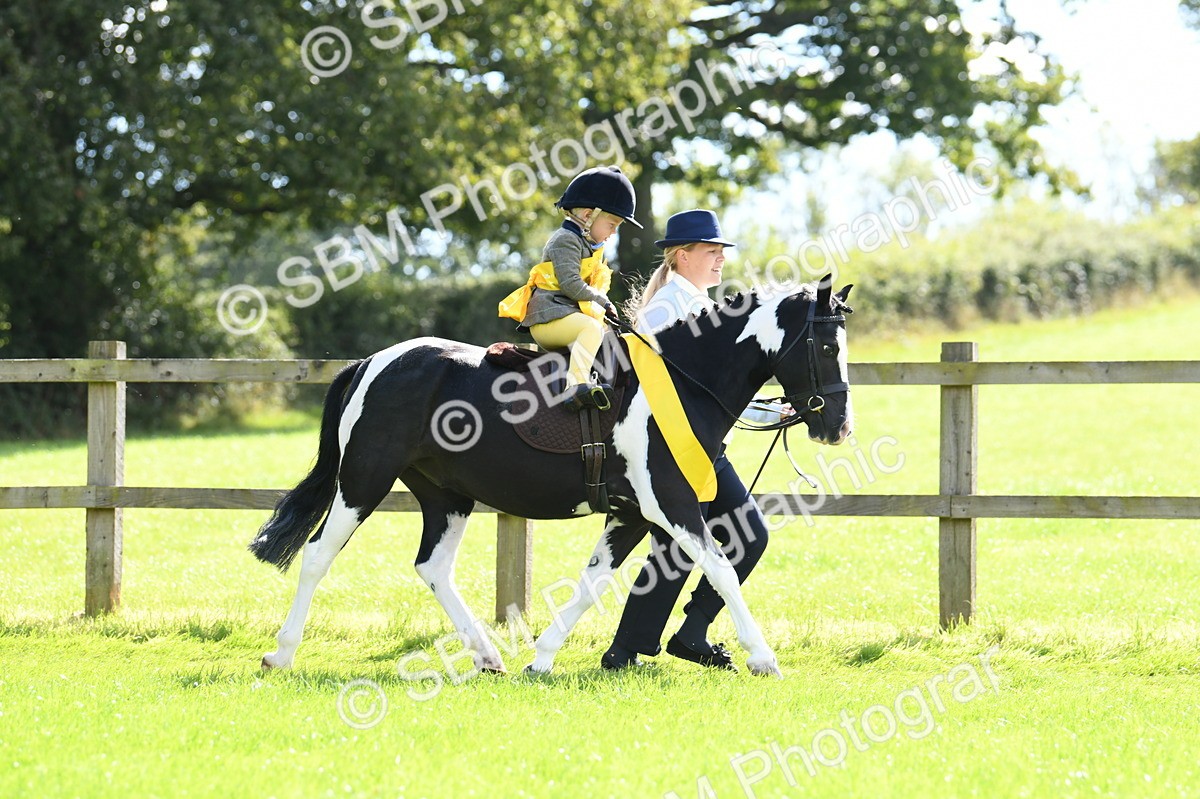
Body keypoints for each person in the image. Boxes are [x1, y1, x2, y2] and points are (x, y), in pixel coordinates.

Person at [602, 209, 789, 671]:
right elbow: (664, 383)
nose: (720, 260)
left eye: (722, 252)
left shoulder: (699, 304)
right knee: (675, 550)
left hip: (701, 447)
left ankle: (691, 631)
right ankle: (626, 651)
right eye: (711, 251)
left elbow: (712, 387)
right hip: (670, 447)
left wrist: (770, 408)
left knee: (748, 535)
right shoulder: (669, 306)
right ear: (682, 256)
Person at [498, 165, 642, 411]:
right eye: (611, 224)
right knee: (591, 329)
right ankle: (575, 388)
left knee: (610, 339)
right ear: (588, 216)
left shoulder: (587, 245)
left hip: (565, 316)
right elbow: (571, 285)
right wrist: (604, 303)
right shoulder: (565, 240)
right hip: (548, 318)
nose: (614, 232)